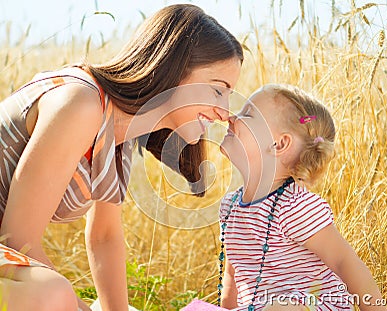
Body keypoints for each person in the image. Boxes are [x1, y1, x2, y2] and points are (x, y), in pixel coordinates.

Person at [0, 4, 243, 311]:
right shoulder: (81, 103)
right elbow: (17, 241)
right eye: (217, 90)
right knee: (52, 294)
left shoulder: (121, 135)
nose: (224, 113)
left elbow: (104, 236)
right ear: (173, 67)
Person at [218, 84, 386, 311]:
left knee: (280, 308)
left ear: (278, 144)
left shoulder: (294, 206)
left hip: (310, 304)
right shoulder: (230, 207)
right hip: (257, 307)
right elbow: (233, 276)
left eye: (246, 114)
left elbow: (343, 261)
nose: (231, 118)